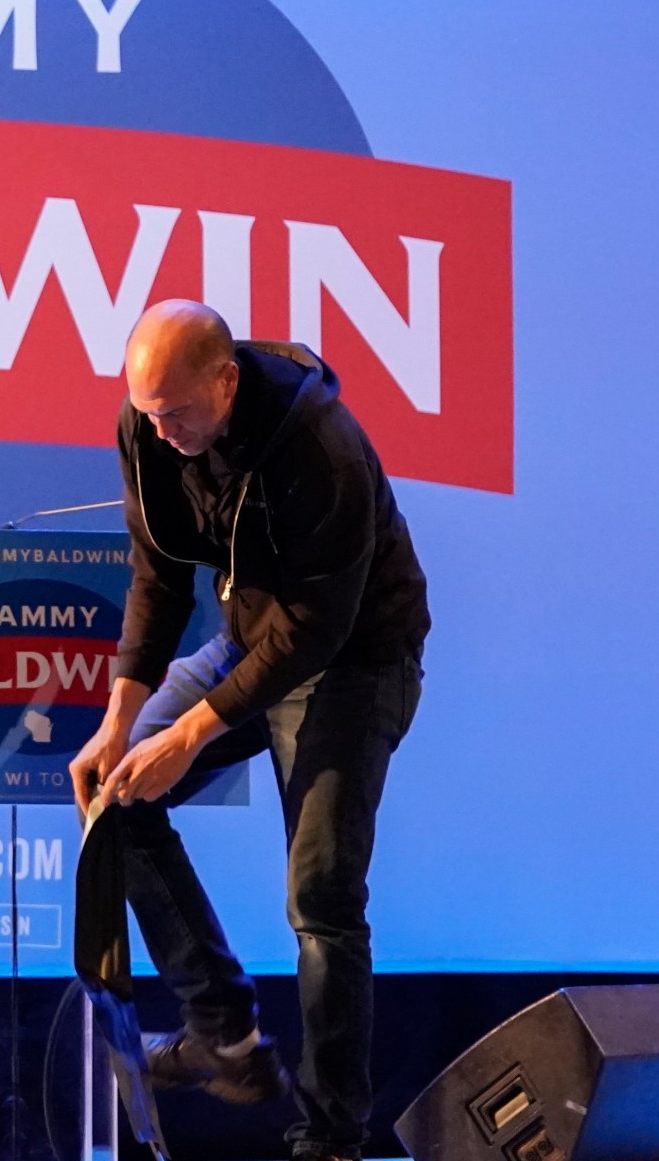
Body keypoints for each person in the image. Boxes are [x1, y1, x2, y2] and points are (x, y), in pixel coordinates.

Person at [71, 299, 429, 1161]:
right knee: (115, 802)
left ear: (226, 382)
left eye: (177, 413)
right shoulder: (149, 426)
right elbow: (157, 575)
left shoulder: (322, 447)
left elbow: (316, 630)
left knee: (322, 901)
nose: (160, 433)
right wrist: (121, 720)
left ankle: (332, 1138)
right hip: (245, 640)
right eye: (147, 414)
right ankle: (225, 1038)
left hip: (354, 661)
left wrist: (188, 733)